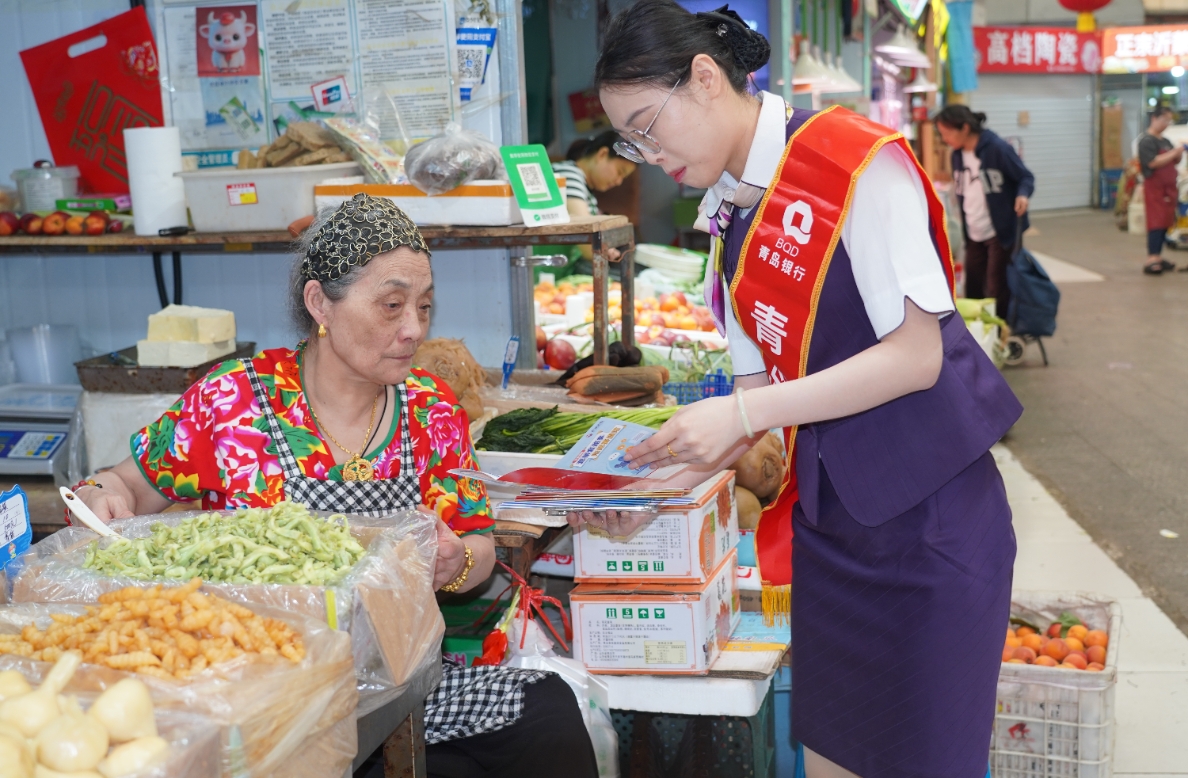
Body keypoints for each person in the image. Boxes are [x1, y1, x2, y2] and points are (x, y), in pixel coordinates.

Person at [576, 2, 1023, 776]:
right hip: (834, 536)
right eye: (629, 141)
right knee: (831, 761)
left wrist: (742, 412)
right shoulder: (728, 213)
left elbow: (917, 356)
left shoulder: (854, 162)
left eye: (649, 124)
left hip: (929, 534)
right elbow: (761, 396)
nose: (646, 155)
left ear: (706, 79)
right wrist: (663, 482)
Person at [73, 193, 598, 778]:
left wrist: (454, 560)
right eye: (391, 305)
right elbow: (123, 482)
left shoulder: (431, 411)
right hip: (262, 690)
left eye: (423, 307)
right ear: (321, 302)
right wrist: (104, 495)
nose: (413, 329)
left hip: (396, 683)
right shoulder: (235, 401)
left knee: (546, 714)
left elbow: (478, 550)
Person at [934, 104, 1034, 314]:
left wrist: (1022, 195)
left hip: (1000, 231)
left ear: (964, 128)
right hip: (973, 232)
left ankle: (1000, 334)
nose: (944, 140)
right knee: (973, 288)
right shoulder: (957, 156)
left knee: (997, 288)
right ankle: (977, 336)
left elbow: (1025, 176)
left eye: (946, 133)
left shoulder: (997, 149)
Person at [535, 131, 637, 279]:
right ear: (602, 154)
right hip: (545, 273)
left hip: (559, 270)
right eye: (620, 172)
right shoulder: (569, 174)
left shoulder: (584, 186)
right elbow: (587, 242)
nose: (618, 181)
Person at [1136, 105, 1184, 275]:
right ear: (1154, 119)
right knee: (1156, 223)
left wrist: (1178, 153)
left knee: (1165, 222)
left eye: (1169, 121)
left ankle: (1158, 256)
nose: (1167, 124)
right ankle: (1152, 258)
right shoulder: (1147, 141)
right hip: (1155, 189)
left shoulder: (1165, 141)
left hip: (1168, 189)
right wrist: (1174, 153)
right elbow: (1153, 163)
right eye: (1164, 120)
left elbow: (1173, 161)